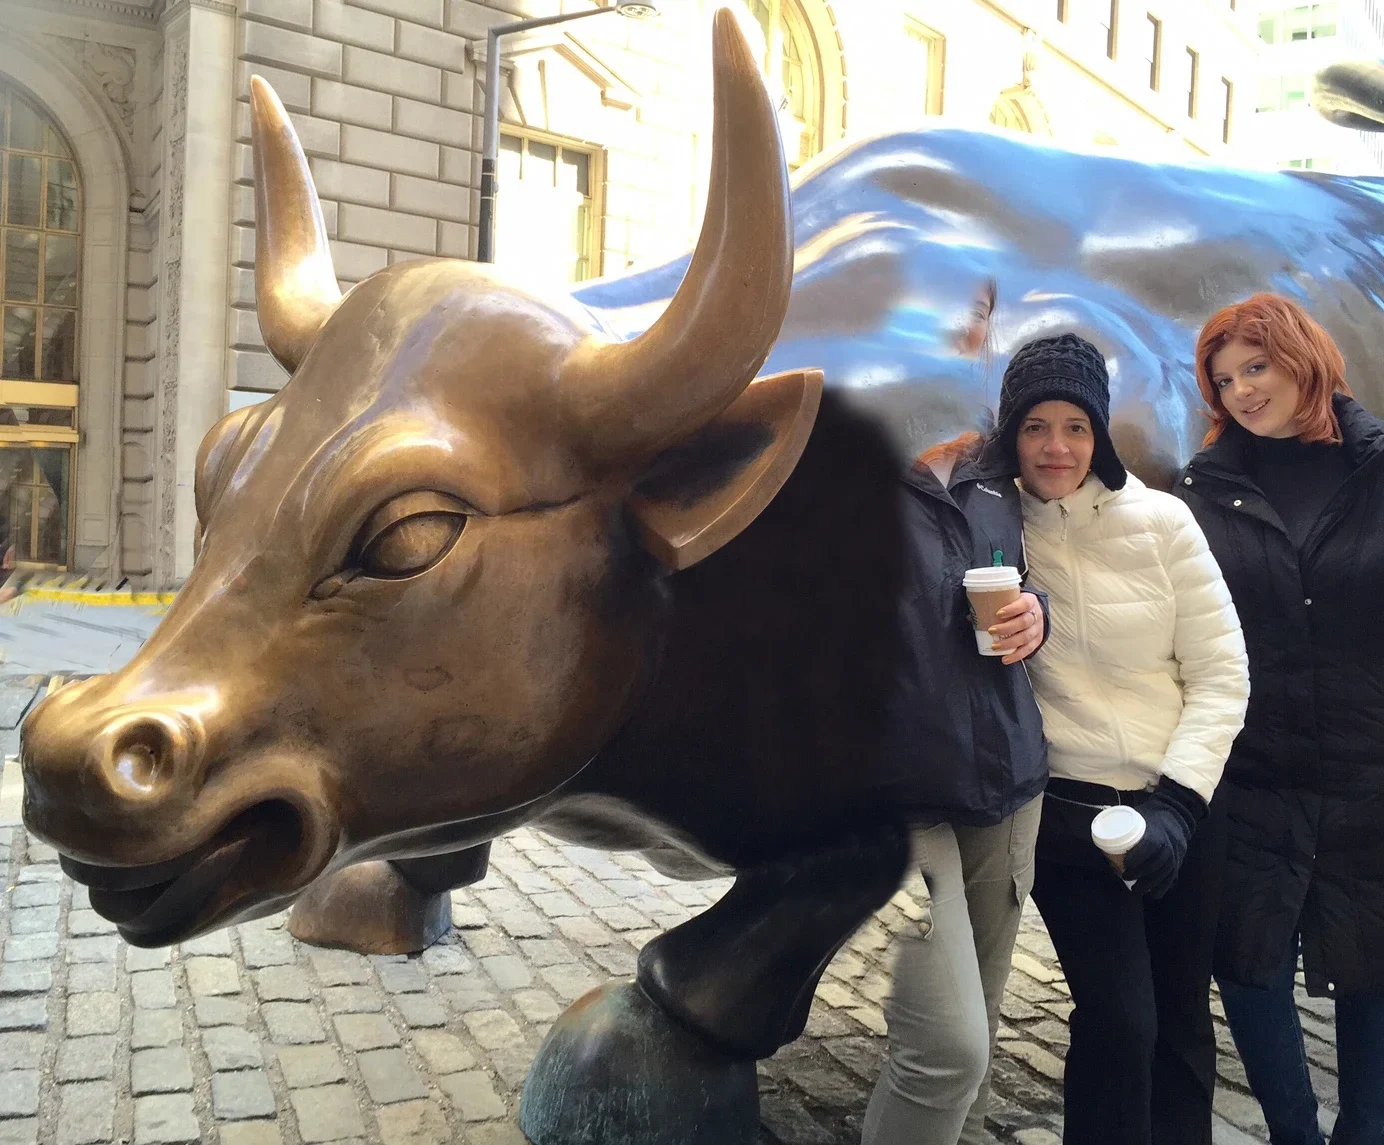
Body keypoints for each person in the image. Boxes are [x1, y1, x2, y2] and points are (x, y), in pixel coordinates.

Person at [1010, 333, 1250, 1145]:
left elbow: (1223, 673)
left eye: (1074, 425)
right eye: (1035, 424)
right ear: (1011, 432)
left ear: (1101, 434)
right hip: (1069, 819)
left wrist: (1181, 807)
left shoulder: (1164, 521)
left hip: (1180, 807)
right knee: (1120, 1020)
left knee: (1182, 1016)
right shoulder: (995, 530)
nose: (1056, 446)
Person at [1178, 293, 1384, 1145]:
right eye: (1224, 380)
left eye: (1256, 366)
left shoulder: (1378, 473)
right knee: (1248, 962)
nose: (1243, 391)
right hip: (1252, 771)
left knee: (1374, 962)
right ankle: (1295, 1132)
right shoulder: (1205, 488)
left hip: (1369, 770)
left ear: (1303, 356)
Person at [862, 286, 1048, 1145]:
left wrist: (1034, 612)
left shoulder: (998, 473)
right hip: (894, 809)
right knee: (948, 1048)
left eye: (976, 316)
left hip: (1007, 786)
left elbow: (1022, 580)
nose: (960, 334)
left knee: (983, 1018)